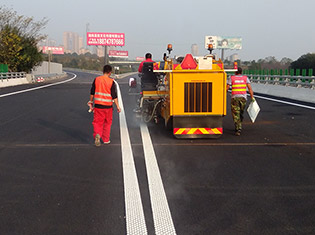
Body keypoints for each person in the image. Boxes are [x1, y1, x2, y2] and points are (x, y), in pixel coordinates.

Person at [88, 65, 121, 146]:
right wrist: (117, 106)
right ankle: (106, 139)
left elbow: (92, 92)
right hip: (108, 107)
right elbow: (114, 96)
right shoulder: (111, 82)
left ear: (103, 71)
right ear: (110, 72)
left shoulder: (97, 80)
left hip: (98, 106)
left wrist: (91, 102)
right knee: (107, 123)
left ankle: (97, 134)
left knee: (97, 122)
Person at [226, 67, 254, 136]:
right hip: (243, 98)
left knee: (236, 113)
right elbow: (250, 88)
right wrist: (252, 97)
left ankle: (238, 128)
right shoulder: (245, 78)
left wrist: (222, 93)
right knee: (241, 112)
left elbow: (227, 87)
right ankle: (239, 126)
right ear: (241, 72)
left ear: (235, 72)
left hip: (235, 98)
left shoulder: (232, 78)